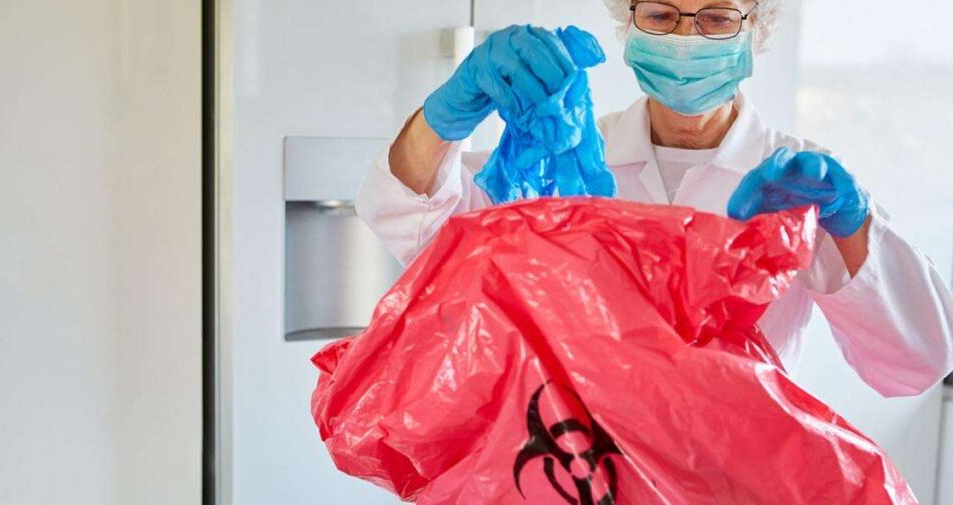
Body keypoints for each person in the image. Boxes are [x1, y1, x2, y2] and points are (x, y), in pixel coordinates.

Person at [354, 0, 953, 397]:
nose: (688, 39)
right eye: (664, 15)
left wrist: (851, 224)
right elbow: (413, 225)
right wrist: (444, 115)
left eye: (717, 17)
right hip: (569, 471)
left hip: (730, 480)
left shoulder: (797, 180)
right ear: (631, 22)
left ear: (755, 28)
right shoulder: (564, 157)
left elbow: (915, 363)